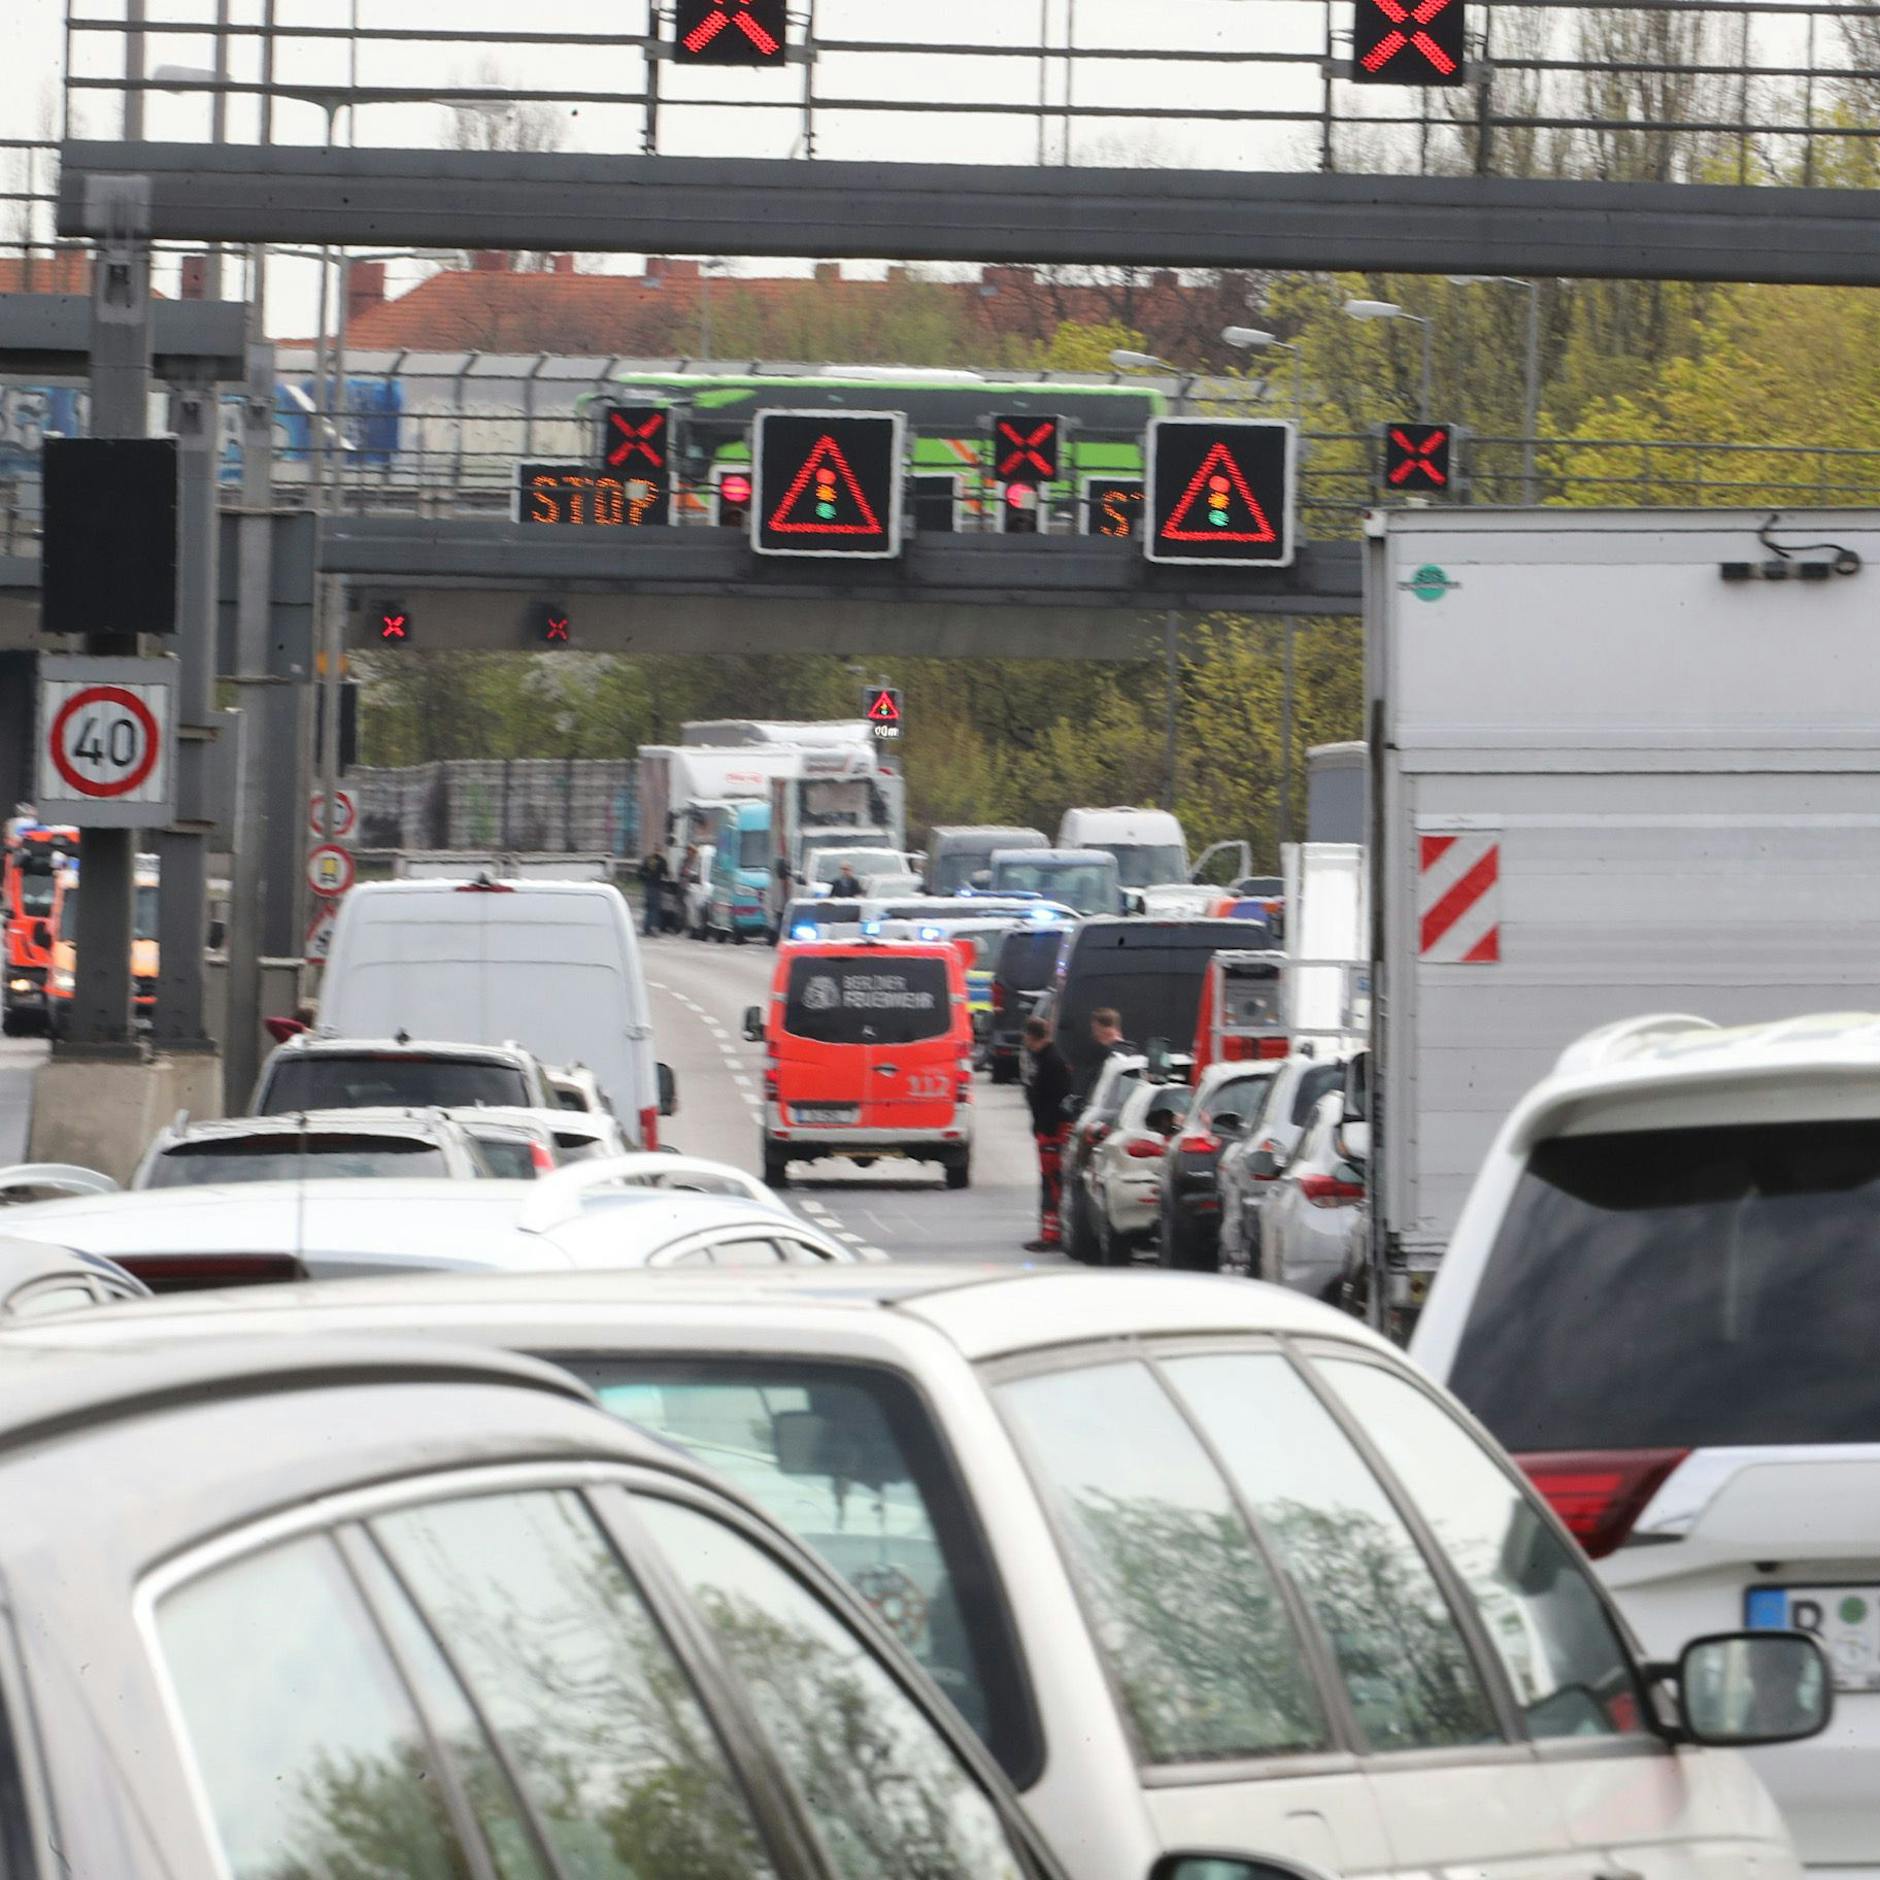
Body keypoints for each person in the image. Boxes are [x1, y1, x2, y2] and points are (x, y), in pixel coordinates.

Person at [1023, 1017, 1073, 1252]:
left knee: (1052, 1183)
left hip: (1052, 1132)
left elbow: (1054, 1099)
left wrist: (1047, 1128)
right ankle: (1050, 1231)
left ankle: (1052, 1235)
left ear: (1032, 1037)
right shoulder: (1044, 1059)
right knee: (1050, 1182)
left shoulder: (1051, 1061)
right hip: (1047, 1129)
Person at [637, 851, 669, 937]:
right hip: (656, 887)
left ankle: (647, 928)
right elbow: (666, 873)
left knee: (649, 908)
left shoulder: (647, 859)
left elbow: (640, 872)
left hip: (648, 886)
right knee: (655, 909)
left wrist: (646, 879)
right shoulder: (662, 860)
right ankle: (651, 929)